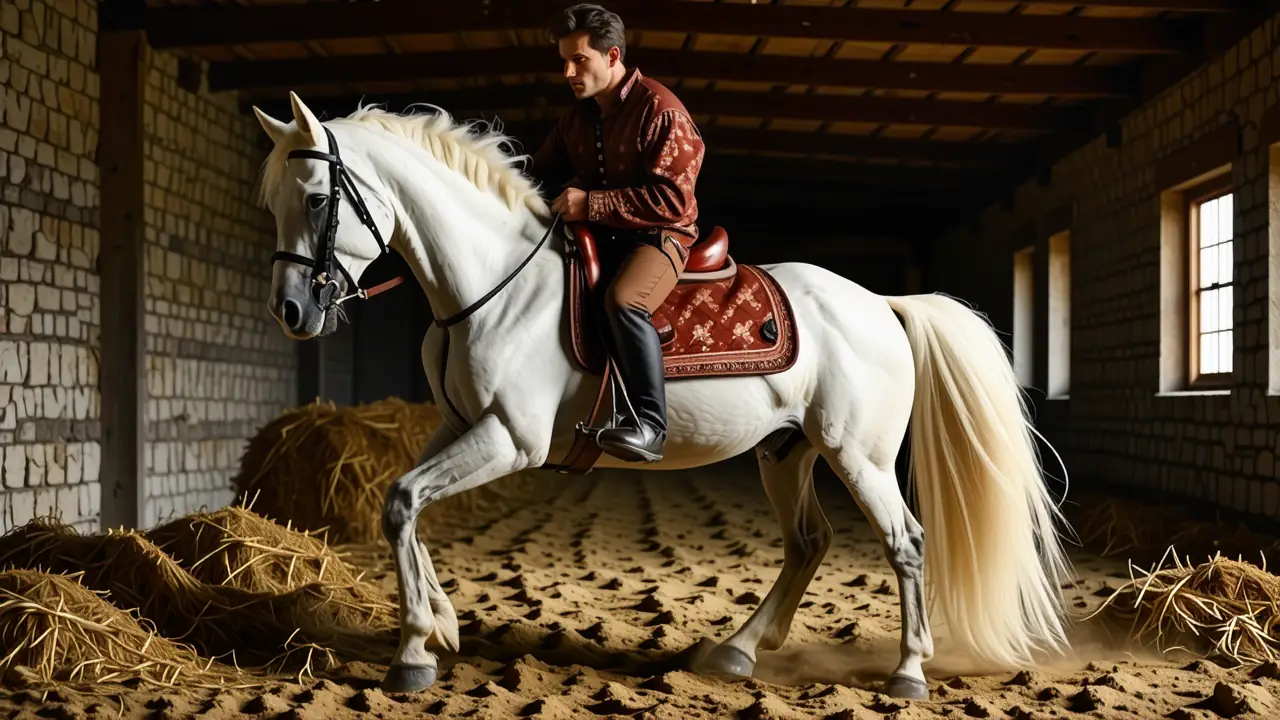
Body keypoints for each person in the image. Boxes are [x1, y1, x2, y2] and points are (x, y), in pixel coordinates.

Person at [528, 2, 705, 464]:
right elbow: (538, 172)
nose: (567, 71)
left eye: (579, 59)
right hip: (603, 238)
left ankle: (650, 425)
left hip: (660, 239)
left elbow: (674, 202)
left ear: (612, 56)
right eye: (564, 60)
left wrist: (591, 203)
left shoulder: (661, 111)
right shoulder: (576, 118)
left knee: (624, 300)